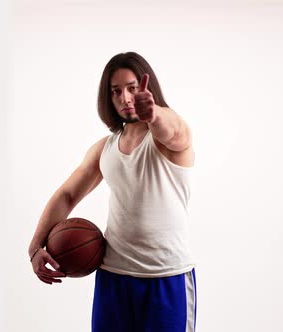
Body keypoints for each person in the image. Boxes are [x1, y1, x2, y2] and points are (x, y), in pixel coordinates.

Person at [28, 52, 197, 332]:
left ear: (148, 90)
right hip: (114, 276)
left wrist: (154, 114)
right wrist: (36, 246)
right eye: (116, 91)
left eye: (132, 88)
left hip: (167, 277)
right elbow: (67, 195)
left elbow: (173, 131)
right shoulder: (104, 148)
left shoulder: (169, 138)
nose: (126, 98)